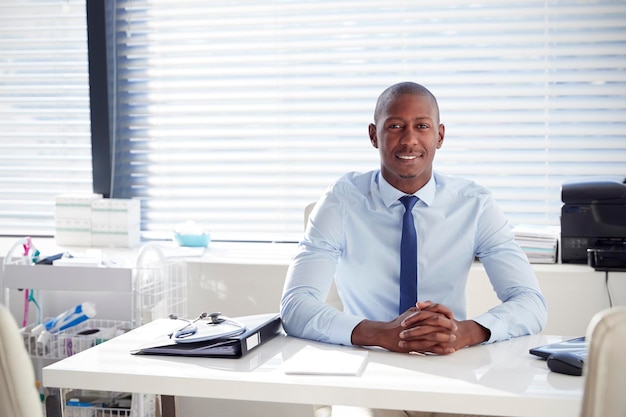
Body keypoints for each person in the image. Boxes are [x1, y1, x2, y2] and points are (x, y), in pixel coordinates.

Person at [279, 81, 547, 417]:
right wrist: (382, 333)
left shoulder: (475, 205)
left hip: (453, 367)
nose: (409, 140)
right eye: (395, 126)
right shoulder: (340, 201)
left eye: (422, 126)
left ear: (440, 136)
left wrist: (466, 333)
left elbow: (531, 303)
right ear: (374, 135)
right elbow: (295, 306)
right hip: (368, 365)